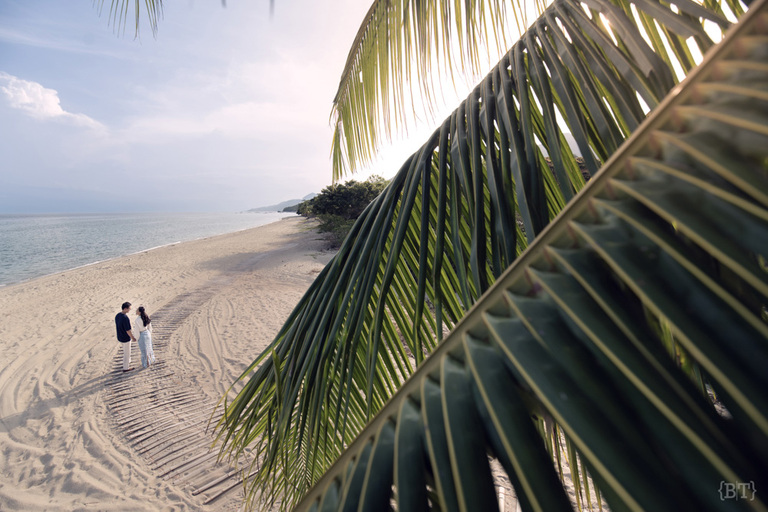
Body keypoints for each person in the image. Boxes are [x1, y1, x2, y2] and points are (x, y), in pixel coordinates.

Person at [115, 302, 136, 372]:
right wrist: (132, 337)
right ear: (125, 309)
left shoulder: (118, 315)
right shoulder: (125, 318)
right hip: (125, 338)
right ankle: (125, 368)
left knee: (125, 351)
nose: (130, 310)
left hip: (120, 336)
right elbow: (128, 330)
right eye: (129, 309)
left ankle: (128, 362)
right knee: (127, 353)